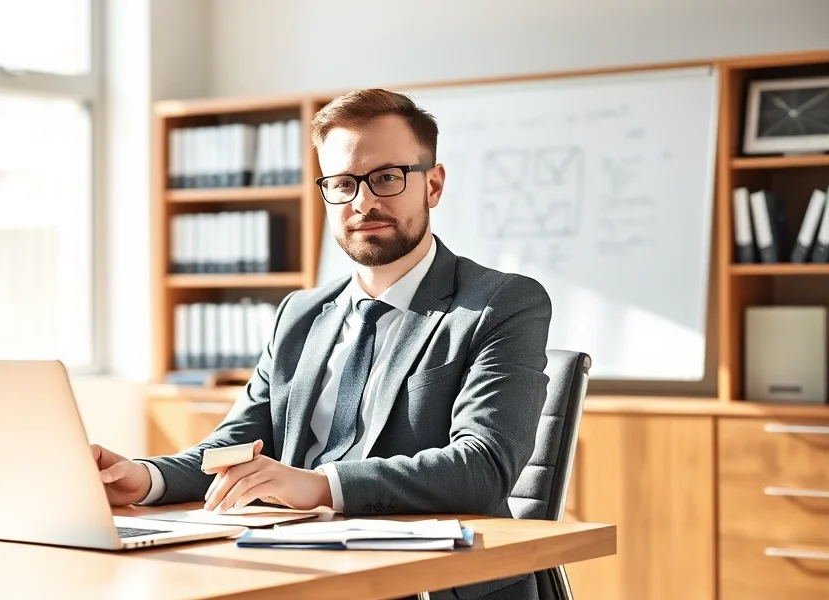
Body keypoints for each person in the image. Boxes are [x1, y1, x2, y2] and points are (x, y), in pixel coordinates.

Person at [92, 88, 551, 600]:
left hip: (430, 583)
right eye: (342, 183)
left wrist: (319, 484)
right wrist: (144, 477)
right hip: (293, 565)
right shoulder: (299, 314)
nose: (364, 202)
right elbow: (232, 450)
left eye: (386, 178)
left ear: (433, 184)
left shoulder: (499, 303)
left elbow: (483, 467)